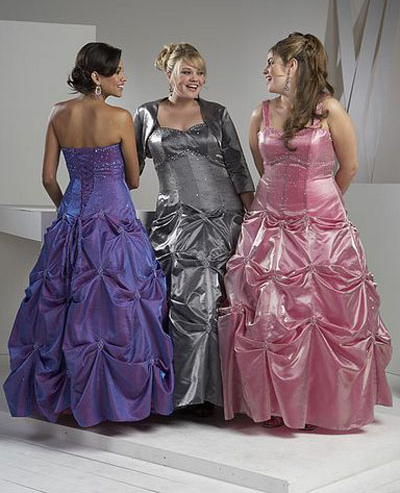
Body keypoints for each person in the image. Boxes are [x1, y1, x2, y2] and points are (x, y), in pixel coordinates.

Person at [218, 32, 392, 431]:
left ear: (293, 66)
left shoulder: (329, 110)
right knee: (268, 314)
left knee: (319, 315)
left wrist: (323, 206)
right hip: (269, 224)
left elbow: (349, 167)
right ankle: (274, 403)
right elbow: (265, 167)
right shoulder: (261, 113)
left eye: (271, 63)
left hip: (321, 226)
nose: (265, 70)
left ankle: (319, 406)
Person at [3, 42, 174, 427]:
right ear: (97, 77)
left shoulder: (58, 113)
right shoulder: (120, 118)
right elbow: (133, 179)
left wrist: (69, 210)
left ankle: (67, 396)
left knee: (65, 304)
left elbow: (48, 178)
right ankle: (115, 400)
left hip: (72, 216)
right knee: (118, 305)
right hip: (114, 219)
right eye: (118, 71)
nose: (124, 77)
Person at [134, 43, 254, 415]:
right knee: (179, 303)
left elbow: (238, 168)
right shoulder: (146, 114)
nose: (195, 79)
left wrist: (255, 218)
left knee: (219, 302)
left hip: (222, 218)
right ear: (169, 74)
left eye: (200, 72)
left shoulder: (217, 113)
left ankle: (219, 395)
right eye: (187, 71)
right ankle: (184, 394)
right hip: (175, 220)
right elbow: (129, 169)